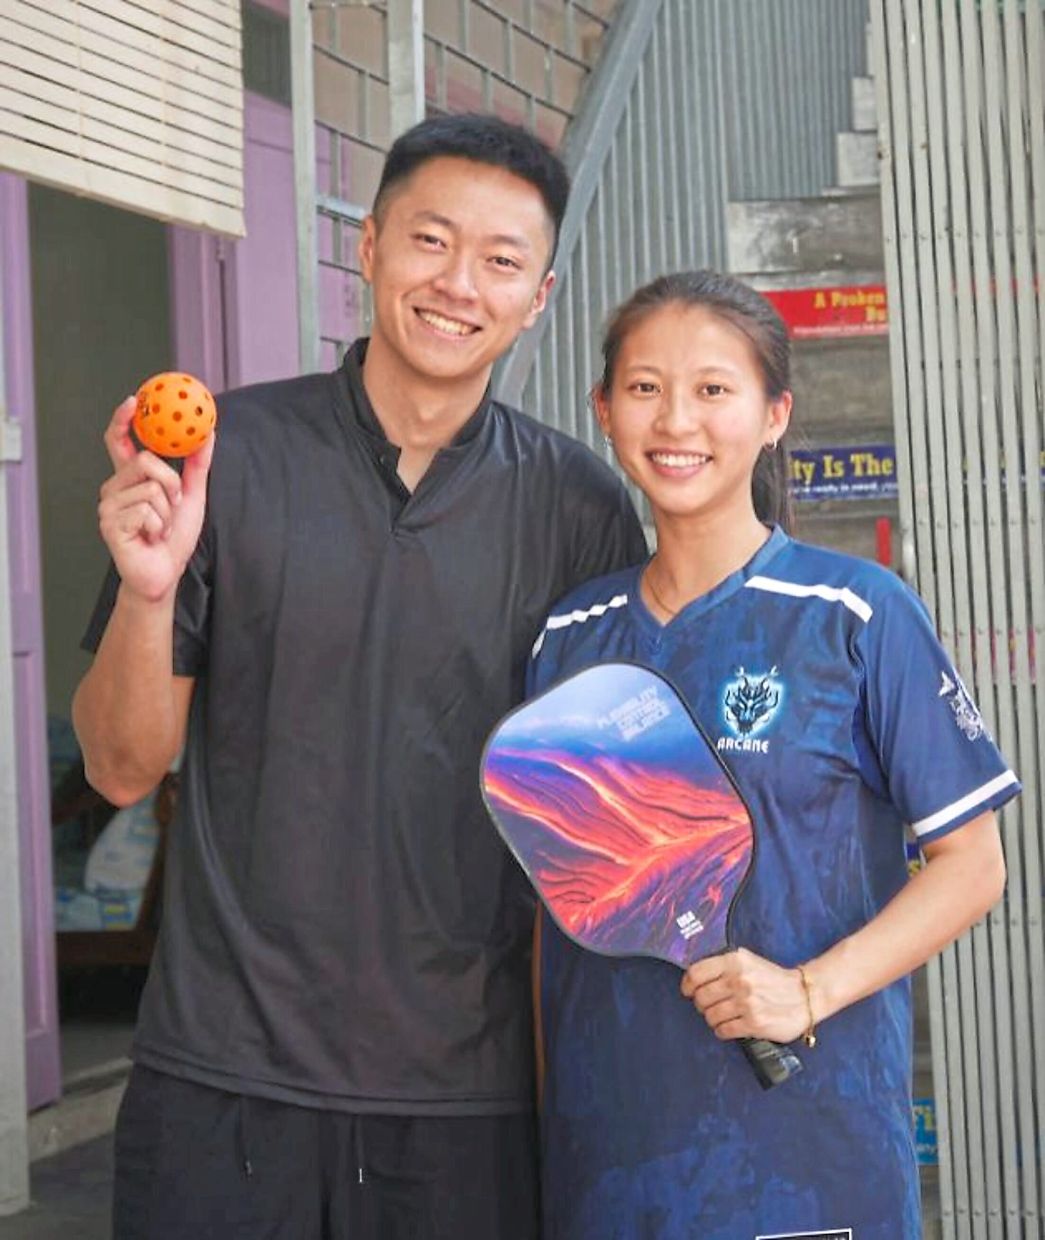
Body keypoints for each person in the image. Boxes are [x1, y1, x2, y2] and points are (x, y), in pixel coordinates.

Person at [72, 113, 647, 1240]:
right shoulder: (222, 460)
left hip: (470, 1099)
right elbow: (122, 765)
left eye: (500, 260)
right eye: (430, 240)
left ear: (539, 296)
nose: (458, 284)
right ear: (370, 245)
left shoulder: (580, 511)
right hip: (223, 1080)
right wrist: (149, 590)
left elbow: (599, 816)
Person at [526, 270, 1018, 1239]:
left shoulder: (858, 613)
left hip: (811, 1152)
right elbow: (556, 908)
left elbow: (974, 868)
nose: (676, 420)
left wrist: (807, 990)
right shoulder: (567, 634)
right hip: (608, 1158)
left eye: (713, 389)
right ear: (603, 409)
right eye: (643, 388)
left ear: (774, 414)